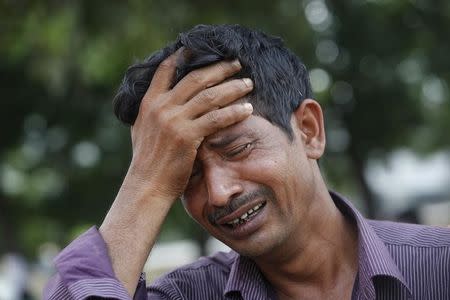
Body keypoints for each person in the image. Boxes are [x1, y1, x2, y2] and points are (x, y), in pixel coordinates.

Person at [44, 24, 450, 300]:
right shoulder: (187, 295)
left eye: (237, 149)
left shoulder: (439, 269)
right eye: (186, 174)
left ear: (309, 130)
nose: (220, 193)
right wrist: (146, 181)